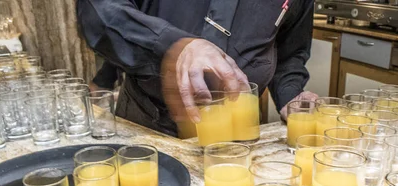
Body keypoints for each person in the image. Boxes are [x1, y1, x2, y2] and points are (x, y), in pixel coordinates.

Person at [77, 0, 318, 137]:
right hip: (148, 129)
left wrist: (290, 94)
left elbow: (289, 52)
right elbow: (99, 12)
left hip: (238, 136)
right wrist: (172, 45)